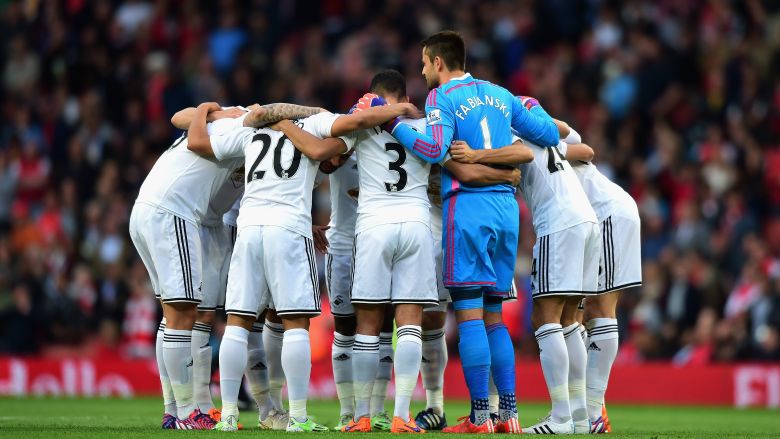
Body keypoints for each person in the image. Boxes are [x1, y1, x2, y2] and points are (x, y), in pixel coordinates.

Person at [185, 100, 422, 432]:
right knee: (296, 324)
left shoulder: (251, 129)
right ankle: (296, 417)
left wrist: (212, 111)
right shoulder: (318, 123)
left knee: (237, 322)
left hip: (250, 227)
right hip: (288, 228)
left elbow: (196, 142)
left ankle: (227, 416)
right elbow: (361, 119)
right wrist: (401, 107)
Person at [386, 30, 560, 433]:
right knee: (495, 316)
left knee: (468, 316)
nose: (422, 69)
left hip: (467, 208)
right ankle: (508, 415)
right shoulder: (501, 94)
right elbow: (549, 135)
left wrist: (394, 124)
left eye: (425, 63)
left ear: (439, 62)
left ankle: (481, 416)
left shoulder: (440, 97)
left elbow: (434, 149)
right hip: (507, 211)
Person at [566, 137, 642, 434]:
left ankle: (594, 412)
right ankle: (585, 408)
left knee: (600, 308)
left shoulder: (542, 132)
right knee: (576, 313)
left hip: (607, 213)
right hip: (588, 221)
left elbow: (586, 149)